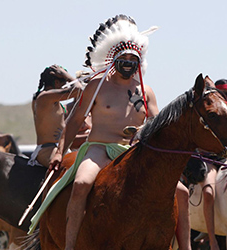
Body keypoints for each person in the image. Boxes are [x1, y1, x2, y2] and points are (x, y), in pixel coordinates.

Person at [45, 15, 175, 250]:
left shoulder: (146, 91)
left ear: (139, 61)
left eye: (132, 58)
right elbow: (75, 121)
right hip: (99, 149)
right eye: (123, 58)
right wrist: (58, 151)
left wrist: (145, 130)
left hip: (135, 152)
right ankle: (70, 245)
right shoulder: (96, 86)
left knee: (181, 192)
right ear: (113, 59)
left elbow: (156, 125)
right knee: (82, 184)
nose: (128, 62)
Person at [28, 65, 83, 168]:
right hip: (48, 149)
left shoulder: (54, 102)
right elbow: (78, 89)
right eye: (65, 83)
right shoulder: (44, 97)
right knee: (66, 170)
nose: (67, 86)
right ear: (57, 83)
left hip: (59, 148)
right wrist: (65, 74)